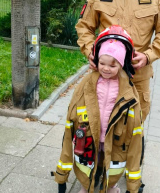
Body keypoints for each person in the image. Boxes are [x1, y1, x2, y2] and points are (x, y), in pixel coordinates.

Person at [52, 26, 143, 193]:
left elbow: (135, 128)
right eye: (102, 63)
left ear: (122, 64)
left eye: (112, 65)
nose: (106, 68)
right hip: (89, 134)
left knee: (110, 161)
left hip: (115, 137)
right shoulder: (87, 84)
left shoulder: (128, 91)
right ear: (96, 61)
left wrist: (132, 185)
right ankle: (86, 186)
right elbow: (72, 115)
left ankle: (110, 185)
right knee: (90, 161)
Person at [75, 0, 160, 122]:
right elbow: (84, 26)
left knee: (132, 130)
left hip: (137, 78)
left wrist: (148, 56)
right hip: (103, 76)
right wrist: (90, 50)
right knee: (97, 125)